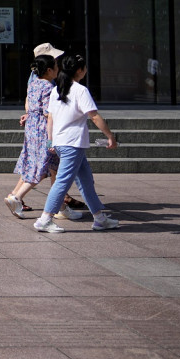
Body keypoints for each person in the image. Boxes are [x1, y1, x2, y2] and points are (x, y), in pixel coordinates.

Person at [34, 54, 122, 233]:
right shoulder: (80, 90)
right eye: (85, 67)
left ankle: (99, 218)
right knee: (62, 182)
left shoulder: (56, 89)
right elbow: (94, 116)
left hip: (63, 142)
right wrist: (110, 136)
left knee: (85, 180)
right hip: (72, 144)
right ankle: (45, 219)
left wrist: (51, 140)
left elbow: (50, 118)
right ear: (79, 71)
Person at [4, 51, 74, 219]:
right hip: (43, 129)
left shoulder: (34, 84)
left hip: (31, 127)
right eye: (56, 67)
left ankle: (61, 207)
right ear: (49, 70)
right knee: (44, 167)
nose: (58, 69)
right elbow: (48, 113)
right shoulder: (49, 87)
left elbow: (31, 105)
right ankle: (16, 197)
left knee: (43, 165)